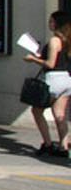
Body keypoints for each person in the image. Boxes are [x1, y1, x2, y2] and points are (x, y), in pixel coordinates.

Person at [27, 11, 71, 157]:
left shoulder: (54, 40)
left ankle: (48, 144)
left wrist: (33, 59)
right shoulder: (67, 40)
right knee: (60, 114)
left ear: (57, 23)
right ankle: (64, 146)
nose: (49, 23)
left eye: (51, 21)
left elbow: (51, 64)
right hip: (66, 78)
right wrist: (41, 55)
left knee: (36, 110)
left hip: (53, 79)